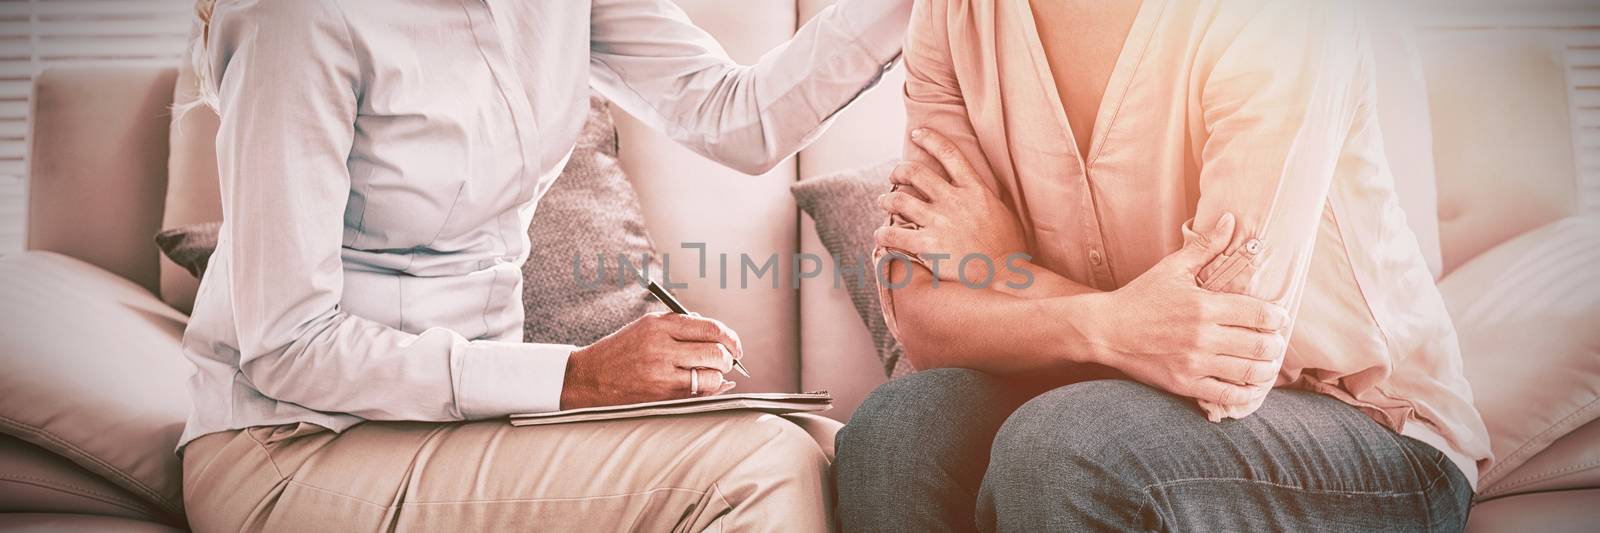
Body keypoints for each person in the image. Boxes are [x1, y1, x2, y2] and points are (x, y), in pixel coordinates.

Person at [175, 0, 910, 531]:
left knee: (825, 449)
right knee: (756, 468)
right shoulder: (293, 20)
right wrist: (575, 378)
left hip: (462, 425)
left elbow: (739, 116)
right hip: (298, 443)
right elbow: (288, 344)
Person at [835, 0, 1490, 531]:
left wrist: (1006, 271)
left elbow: (1223, 351)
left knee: (1067, 447)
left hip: (1366, 426)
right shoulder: (955, 16)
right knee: (895, 435)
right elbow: (922, 316)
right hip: (1094, 397)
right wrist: (1117, 326)